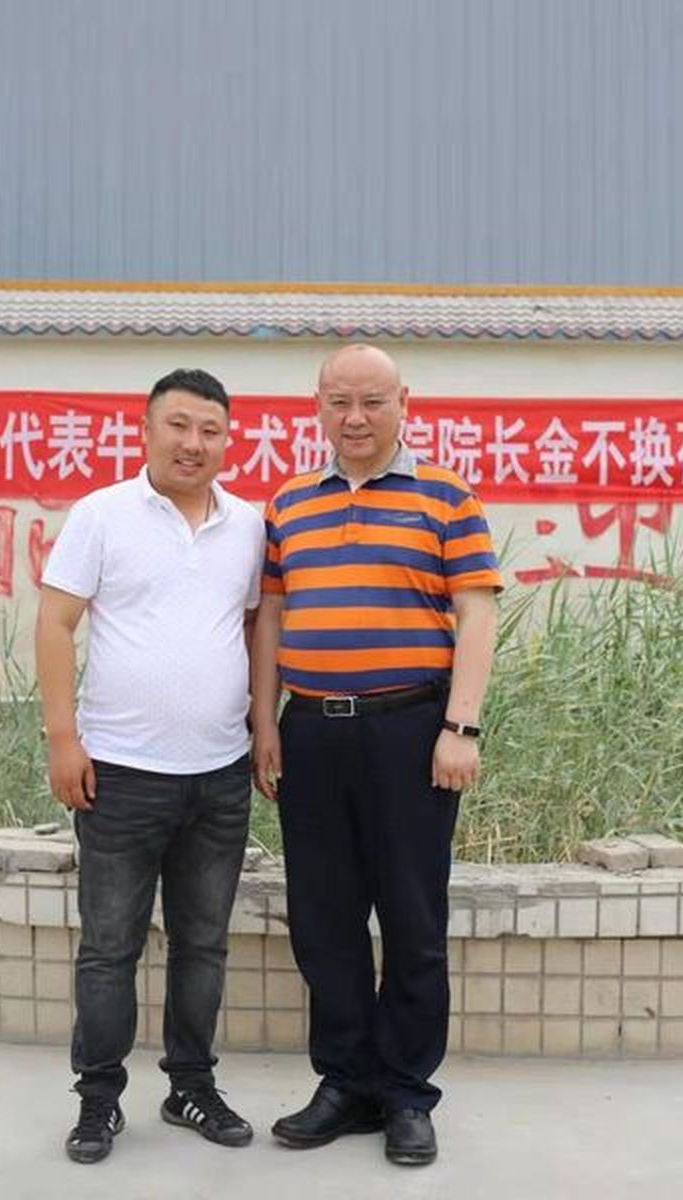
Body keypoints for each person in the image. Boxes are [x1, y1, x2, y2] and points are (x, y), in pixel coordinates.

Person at [251, 344, 501, 1167]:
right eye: (338, 402)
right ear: (317, 406)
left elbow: (476, 615)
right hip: (312, 733)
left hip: (410, 731)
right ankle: (345, 1083)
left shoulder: (447, 497)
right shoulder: (289, 504)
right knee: (323, 919)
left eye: (371, 401)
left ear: (404, 403)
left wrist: (461, 727)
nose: (353, 418)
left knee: (412, 919)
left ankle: (406, 1093)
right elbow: (272, 619)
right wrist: (265, 721)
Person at [35, 367, 265, 1164]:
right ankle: (98, 1100)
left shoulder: (248, 525)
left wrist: (261, 725)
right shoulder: (102, 515)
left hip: (220, 773)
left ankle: (190, 1086)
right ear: (145, 429)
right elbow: (55, 623)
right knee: (109, 949)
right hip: (120, 775)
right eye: (179, 425)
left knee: (203, 944)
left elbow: (252, 629)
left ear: (227, 440)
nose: (193, 443)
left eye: (210, 430)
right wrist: (63, 738)